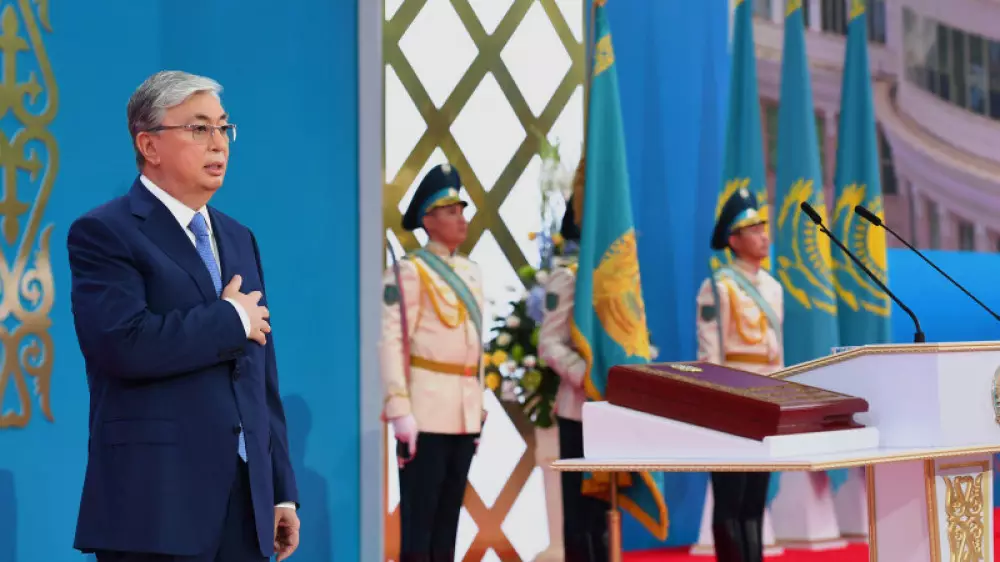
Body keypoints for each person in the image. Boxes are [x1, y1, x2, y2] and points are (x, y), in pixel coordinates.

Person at [67, 71, 299, 562]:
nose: (219, 143)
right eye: (199, 129)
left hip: (245, 505)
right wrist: (229, 320)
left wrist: (279, 490)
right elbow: (124, 344)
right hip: (157, 507)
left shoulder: (239, 237)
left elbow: (261, 374)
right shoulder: (105, 232)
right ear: (149, 145)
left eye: (223, 127)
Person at [380, 164, 487, 562]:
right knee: (419, 526)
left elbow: (476, 347)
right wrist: (399, 410)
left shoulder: (472, 272)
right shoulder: (410, 271)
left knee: (447, 526)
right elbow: (391, 342)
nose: (461, 219)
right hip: (424, 413)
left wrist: (478, 407)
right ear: (428, 220)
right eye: (451, 211)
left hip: (463, 413)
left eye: (462, 210)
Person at [695, 187, 783, 562]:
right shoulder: (718, 288)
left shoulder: (774, 288)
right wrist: (718, 410)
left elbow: (776, 356)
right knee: (730, 500)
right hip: (731, 406)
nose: (763, 235)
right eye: (753, 229)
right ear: (733, 240)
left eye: (763, 227)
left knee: (755, 501)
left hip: (766, 403)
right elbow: (710, 356)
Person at [537, 179, 610, 562]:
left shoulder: (612, 278)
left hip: (611, 407)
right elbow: (549, 343)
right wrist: (585, 373)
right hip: (578, 407)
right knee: (580, 515)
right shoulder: (567, 277)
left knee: (604, 513)